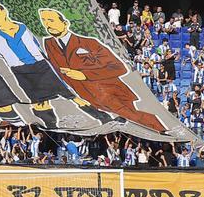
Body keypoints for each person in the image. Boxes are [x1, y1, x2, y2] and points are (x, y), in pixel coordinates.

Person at [38, 8, 171, 134]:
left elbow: (119, 67)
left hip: (109, 92)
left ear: (65, 23)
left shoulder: (89, 43)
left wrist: (85, 75)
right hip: (83, 97)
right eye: (44, 21)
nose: (47, 25)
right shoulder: (49, 44)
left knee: (135, 119)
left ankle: (163, 130)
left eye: (50, 20)